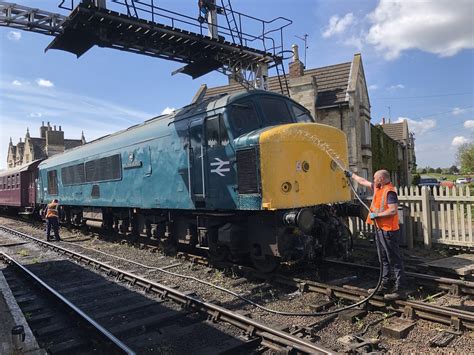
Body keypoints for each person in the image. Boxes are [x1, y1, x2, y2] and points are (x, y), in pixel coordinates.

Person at [345, 169, 407, 300]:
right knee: (383, 259)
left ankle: (400, 290)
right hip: (380, 229)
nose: (373, 180)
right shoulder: (378, 188)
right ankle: (384, 285)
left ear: (382, 179)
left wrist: (377, 215)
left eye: (375, 178)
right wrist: (351, 175)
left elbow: (393, 211)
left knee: (394, 260)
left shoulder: (389, 191)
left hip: (389, 231)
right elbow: (363, 181)